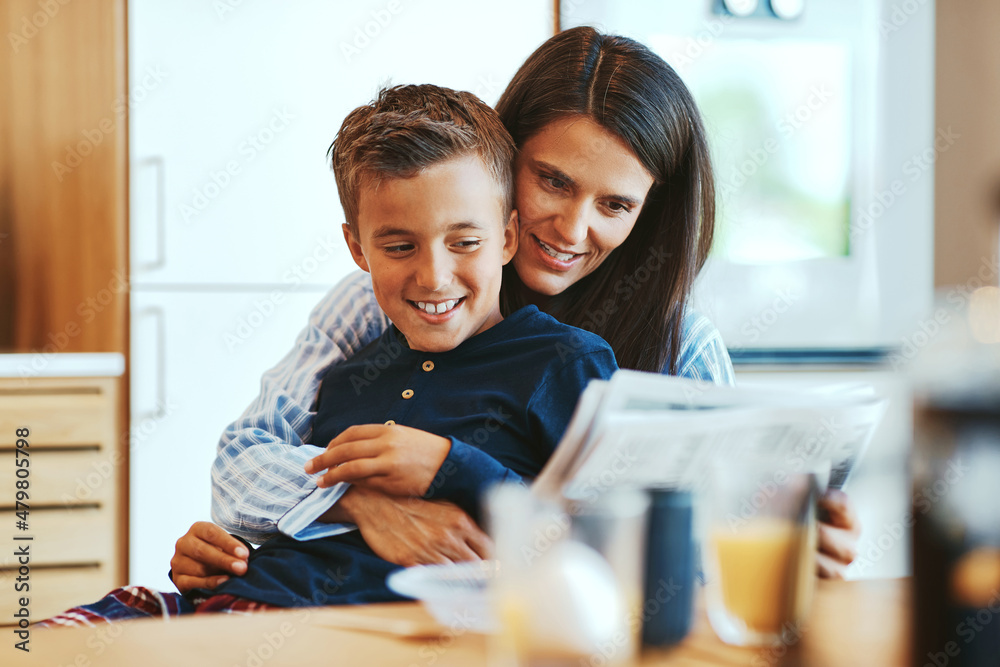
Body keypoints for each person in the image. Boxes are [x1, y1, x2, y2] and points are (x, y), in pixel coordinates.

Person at [175, 25, 861, 592]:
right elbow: (241, 460)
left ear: (647, 214)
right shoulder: (384, 302)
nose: (570, 228)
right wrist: (360, 501)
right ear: (503, 167)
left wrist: (783, 543)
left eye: (614, 204)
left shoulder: (679, 346)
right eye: (553, 180)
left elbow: (673, 546)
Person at [39, 83, 618, 624]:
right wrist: (222, 556)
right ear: (357, 248)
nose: (434, 276)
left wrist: (453, 467)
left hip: (349, 631)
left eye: (465, 242)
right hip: (214, 604)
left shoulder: (565, 362)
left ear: (508, 238)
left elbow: (602, 543)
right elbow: (261, 486)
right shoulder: (345, 373)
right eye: (398, 246)